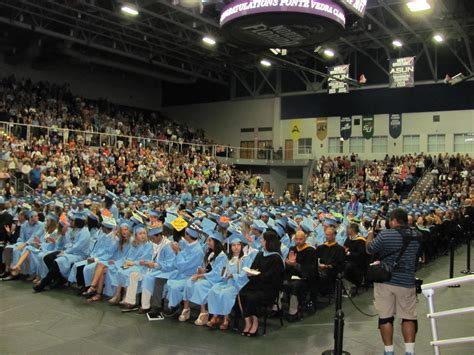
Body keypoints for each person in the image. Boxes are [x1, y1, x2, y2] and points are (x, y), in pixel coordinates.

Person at [366, 208, 421, 355]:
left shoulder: (386, 234)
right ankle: (410, 351)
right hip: (407, 281)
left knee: (385, 318)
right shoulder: (417, 235)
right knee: (409, 317)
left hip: (386, 281)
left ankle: (388, 351)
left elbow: (370, 249)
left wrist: (370, 235)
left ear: (393, 220)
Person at [238, 230, 285, 337]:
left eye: (263, 240)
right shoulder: (260, 254)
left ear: (269, 242)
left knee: (252, 297)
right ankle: (247, 322)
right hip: (256, 283)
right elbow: (254, 268)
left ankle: (255, 321)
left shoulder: (276, 258)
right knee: (242, 293)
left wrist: (257, 275)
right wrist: (250, 273)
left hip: (269, 289)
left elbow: (273, 278)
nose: (261, 241)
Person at [207, 236, 256, 330]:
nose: (236, 247)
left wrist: (233, 275)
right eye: (233, 245)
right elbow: (223, 271)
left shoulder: (246, 259)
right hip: (226, 282)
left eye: (238, 245)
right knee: (213, 290)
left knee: (225, 294)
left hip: (237, 284)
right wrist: (224, 274)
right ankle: (215, 316)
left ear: (241, 246)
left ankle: (226, 319)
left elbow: (245, 274)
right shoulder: (228, 259)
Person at [283, 230, 318, 321]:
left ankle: (293, 312)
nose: (298, 241)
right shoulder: (292, 249)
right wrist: (288, 264)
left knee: (295, 286)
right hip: (292, 276)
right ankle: (276, 308)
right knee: (279, 281)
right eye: (296, 239)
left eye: (301, 239)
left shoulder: (311, 251)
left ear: (305, 239)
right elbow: (288, 267)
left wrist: (295, 265)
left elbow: (311, 270)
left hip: (305, 279)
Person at [343, 223, 368, 295]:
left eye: (348, 228)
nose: (347, 230)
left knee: (347, 267)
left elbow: (361, 255)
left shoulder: (361, 240)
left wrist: (348, 253)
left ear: (352, 230)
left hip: (358, 263)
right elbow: (345, 248)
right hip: (348, 260)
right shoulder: (349, 238)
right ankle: (344, 287)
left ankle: (349, 288)